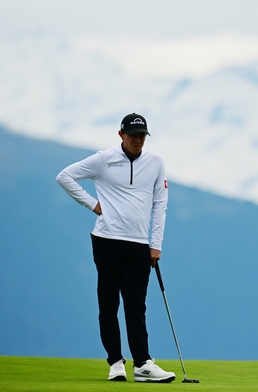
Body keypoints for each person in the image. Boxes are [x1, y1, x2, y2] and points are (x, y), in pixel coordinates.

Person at [56, 113, 176, 383]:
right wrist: (92, 204)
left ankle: (142, 364)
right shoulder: (104, 159)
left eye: (142, 136)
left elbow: (160, 204)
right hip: (106, 241)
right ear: (121, 134)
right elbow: (65, 177)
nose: (138, 140)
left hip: (139, 244)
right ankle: (115, 362)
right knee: (108, 303)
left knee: (136, 306)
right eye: (133, 135)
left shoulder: (156, 162)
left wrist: (156, 244)